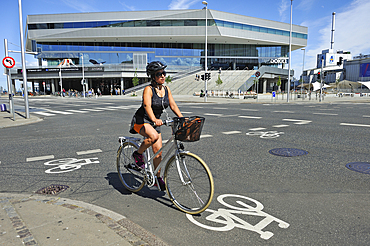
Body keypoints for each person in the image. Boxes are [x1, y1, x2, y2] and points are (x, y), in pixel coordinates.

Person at [129, 61, 183, 190]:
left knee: (158, 153)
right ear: (153, 76)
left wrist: (182, 118)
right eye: (159, 74)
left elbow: (173, 105)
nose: (163, 76)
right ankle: (138, 154)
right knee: (152, 136)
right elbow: (147, 106)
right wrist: (154, 119)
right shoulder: (148, 89)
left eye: (164, 73)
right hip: (142, 120)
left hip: (155, 121)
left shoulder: (166, 89)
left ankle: (157, 178)